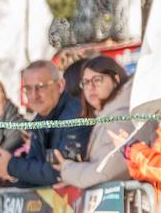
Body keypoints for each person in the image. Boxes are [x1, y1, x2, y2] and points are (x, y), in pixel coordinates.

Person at [0, 60, 92, 189]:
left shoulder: (77, 114)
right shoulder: (39, 119)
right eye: (28, 89)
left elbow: (60, 171)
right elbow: (36, 173)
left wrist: (12, 166)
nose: (34, 95)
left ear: (60, 85)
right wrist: (10, 173)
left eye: (41, 87)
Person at [58, 56, 144, 188]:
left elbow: (106, 172)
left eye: (97, 80)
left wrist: (67, 169)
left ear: (115, 79)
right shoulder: (109, 113)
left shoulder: (121, 116)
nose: (90, 87)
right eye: (85, 82)